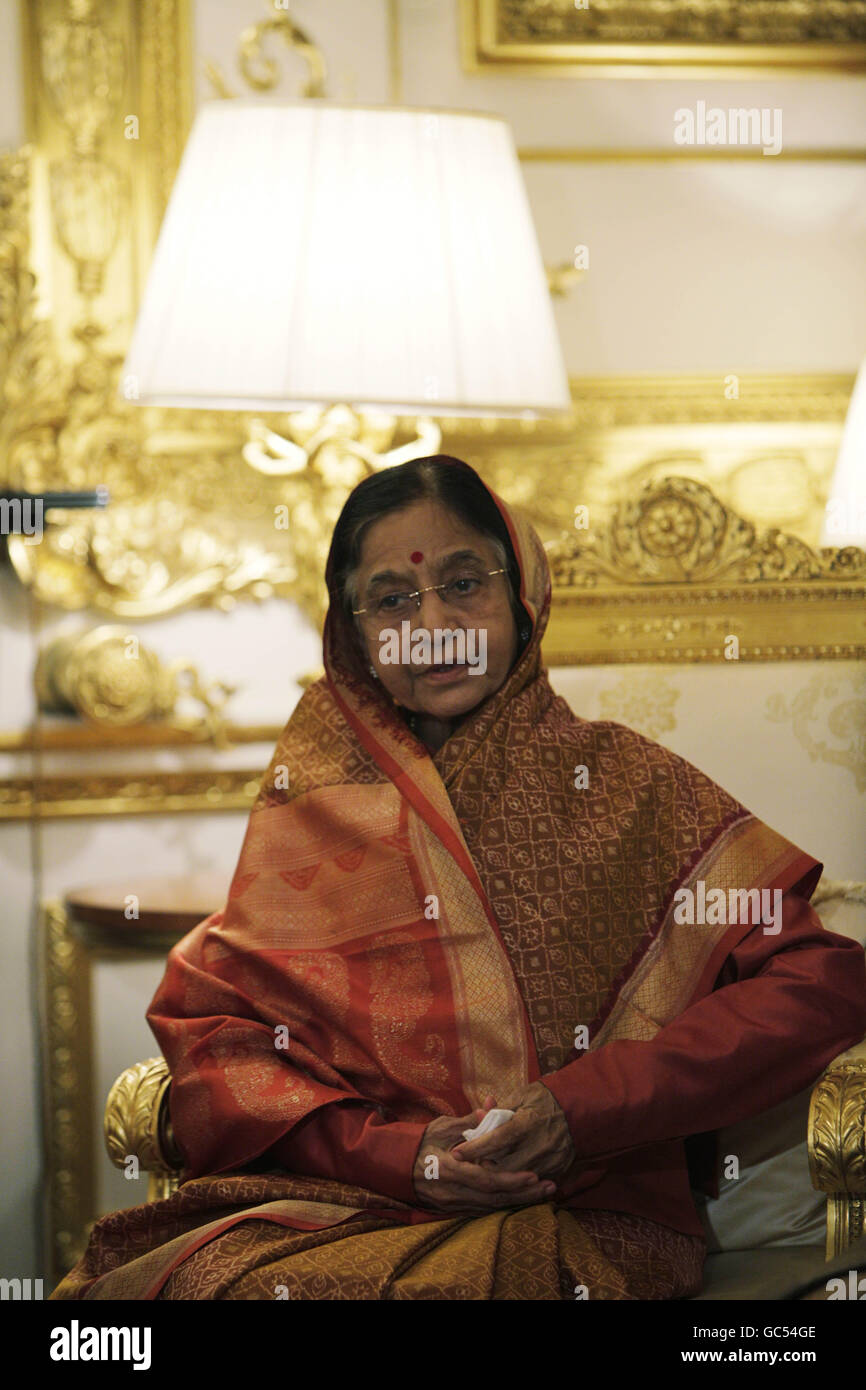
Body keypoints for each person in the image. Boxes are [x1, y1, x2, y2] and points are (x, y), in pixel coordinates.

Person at [51, 455, 866, 1301]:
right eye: (393, 600)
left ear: (521, 596)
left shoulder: (626, 786)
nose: (432, 621)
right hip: (342, 1200)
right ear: (355, 635)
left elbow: (823, 981)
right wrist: (402, 1155)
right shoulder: (321, 797)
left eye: (464, 582)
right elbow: (225, 1041)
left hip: (578, 1206)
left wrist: (580, 1109)